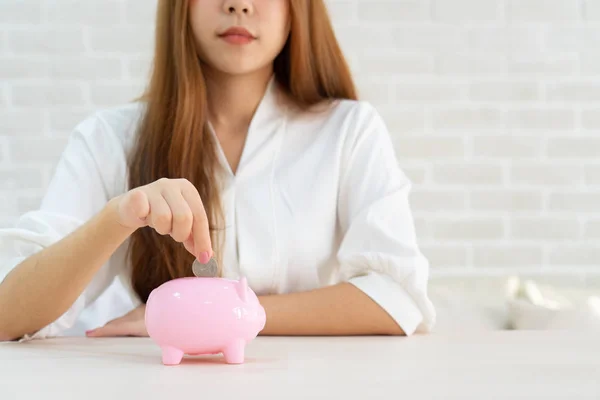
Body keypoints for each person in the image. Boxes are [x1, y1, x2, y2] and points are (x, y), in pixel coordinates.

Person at [0, 0, 435, 342]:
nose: (239, 4)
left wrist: (215, 317)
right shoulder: (109, 138)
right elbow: (8, 315)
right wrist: (118, 216)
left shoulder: (349, 130)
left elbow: (397, 298)